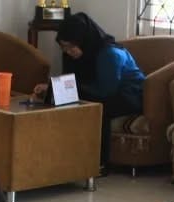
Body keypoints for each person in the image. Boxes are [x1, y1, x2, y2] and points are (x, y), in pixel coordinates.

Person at [33, 12, 145, 169]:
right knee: (61, 100)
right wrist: (52, 87)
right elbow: (74, 82)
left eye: (71, 46)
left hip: (129, 94)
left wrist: (62, 88)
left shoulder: (109, 54)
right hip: (102, 91)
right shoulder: (80, 54)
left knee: (97, 108)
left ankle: (98, 163)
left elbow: (104, 91)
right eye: (64, 47)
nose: (67, 51)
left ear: (83, 40)